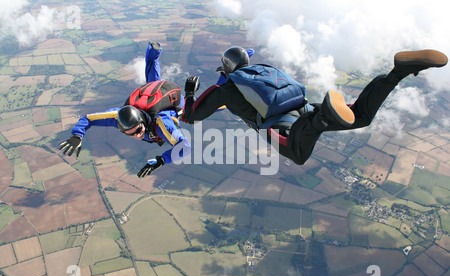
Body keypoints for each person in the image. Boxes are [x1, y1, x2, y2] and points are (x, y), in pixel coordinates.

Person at [181, 47, 447, 165]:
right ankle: (397, 74)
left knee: (296, 153)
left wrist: (190, 93)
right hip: (304, 106)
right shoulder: (262, 69)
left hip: (281, 124)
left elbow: (191, 117)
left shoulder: (223, 90)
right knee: (359, 116)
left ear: (226, 69)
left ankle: (320, 120)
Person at [59, 42, 190, 177]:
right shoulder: (118, 117)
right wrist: (77, 135)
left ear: (141, 122)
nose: (137, 136)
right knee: (153, 82)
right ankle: (153, 53)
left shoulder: (163, 124)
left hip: (175, 103)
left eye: (138, 130)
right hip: (150, 99)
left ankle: (207, 92)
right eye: (129, 134)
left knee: (198, 112)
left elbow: (184, 147)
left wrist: (162, 160)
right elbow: (88, 119)